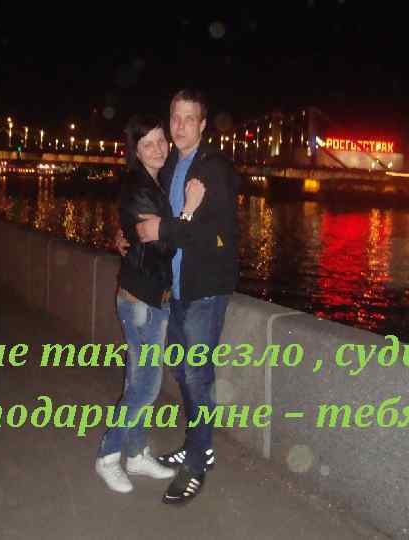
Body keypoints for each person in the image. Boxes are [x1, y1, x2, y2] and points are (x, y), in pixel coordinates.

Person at [134, 89, 241, 504]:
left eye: (188, 119)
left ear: (203, 124)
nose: (178, 126)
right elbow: (159, 219)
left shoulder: (214, 169)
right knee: (182, 372)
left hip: (204, 293)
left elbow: (212, 235)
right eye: (174, 117)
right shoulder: (173, 166)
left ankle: (196, 463)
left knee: (197, 377)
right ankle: (200, 445)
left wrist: (163, 229)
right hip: (177, 290)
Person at [95, 114, 206, 493]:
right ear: (136, 152)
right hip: (141, 298)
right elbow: (162, 245)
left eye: (161, 140)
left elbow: (149, 234)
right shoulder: (138, 186)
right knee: (145, 386)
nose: (158, 148)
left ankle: (137, 452)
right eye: (148, 144)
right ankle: (108, 454)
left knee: (138, 379)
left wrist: (135, 233)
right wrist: (188, 210)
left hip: (151, 294)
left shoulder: (157, 180)